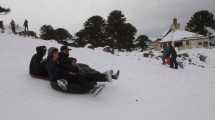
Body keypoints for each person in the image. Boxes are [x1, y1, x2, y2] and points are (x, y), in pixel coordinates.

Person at [46, 47, 119, 94]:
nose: (57, 54)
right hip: (61, 78)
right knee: (82, 75)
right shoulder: (51, 62)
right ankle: (93, 88)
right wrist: (68, 73)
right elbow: (56, 72)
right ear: (51, 54)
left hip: (65, 75)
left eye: (57, 53)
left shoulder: (56, 61)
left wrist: (70, 70)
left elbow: (62, 68)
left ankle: (107, 77)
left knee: (85, 74)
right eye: (55, 53)